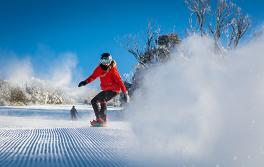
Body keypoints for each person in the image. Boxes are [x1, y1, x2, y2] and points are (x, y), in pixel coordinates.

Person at [78, 53, 129, 126]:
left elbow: (120, 81)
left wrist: (125, 93)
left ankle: (103, 120)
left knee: (103, 99)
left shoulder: (113, 70)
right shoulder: (99, 69)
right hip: (106, 90)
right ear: (101, 61)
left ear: (110, 61)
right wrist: (85, 82)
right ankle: (99, 119)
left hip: (114, 90)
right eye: (103, 61)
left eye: (107, 61)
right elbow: (93, 76)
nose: (105, 64)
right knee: (93, 101)